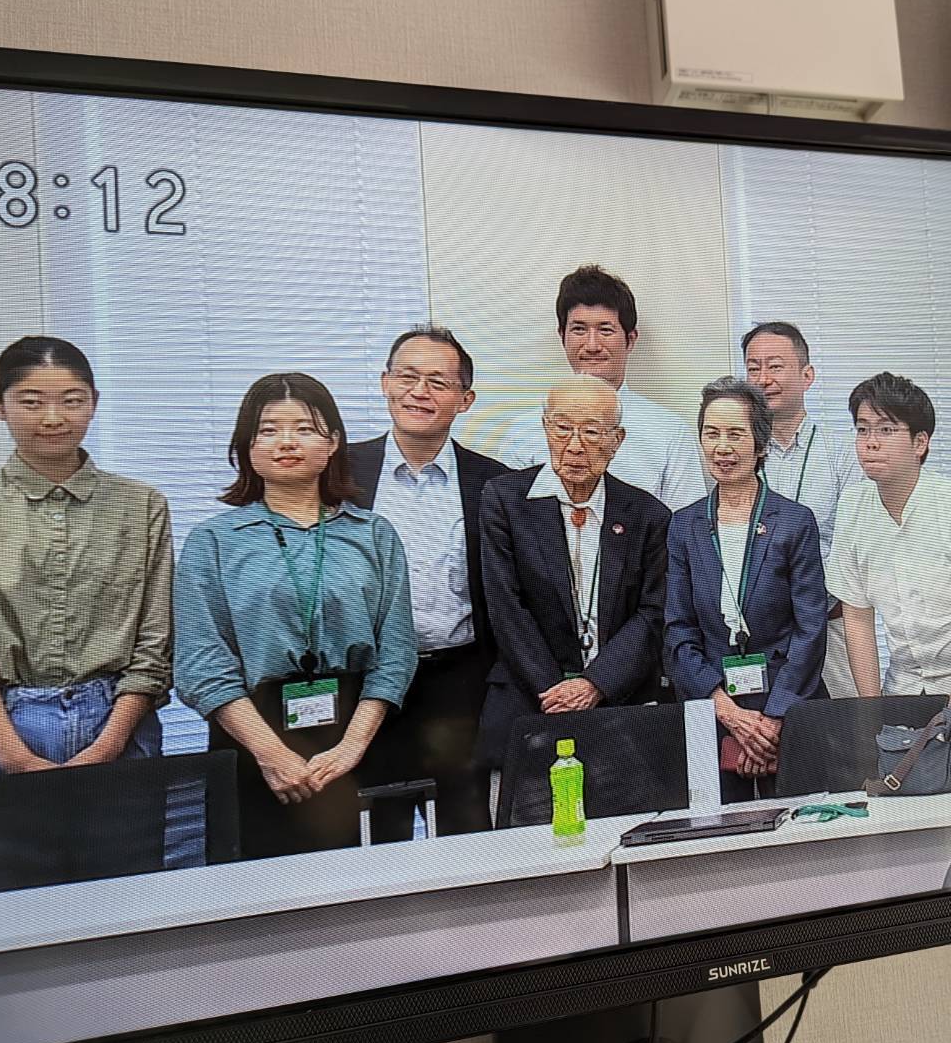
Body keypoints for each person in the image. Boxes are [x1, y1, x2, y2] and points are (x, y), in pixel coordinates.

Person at [0, 336, 171, 895]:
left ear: (95, 402)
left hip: (117, 724)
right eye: (31, 401)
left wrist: (107, 747)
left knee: (127, 911)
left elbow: (155, 644)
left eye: (72, 400)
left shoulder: (142, 506)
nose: (54, 418)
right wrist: (15, 755)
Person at [173, 373, 417, 861]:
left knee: (376, 885)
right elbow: (201, 664)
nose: (286, 442)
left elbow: (396, 652)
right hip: (252, 740)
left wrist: (351, 747)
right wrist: (272, 755)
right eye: (268, 430)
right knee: (262, 894)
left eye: (305, 429)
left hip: (362, 737)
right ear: (246, 446)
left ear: (333, 443)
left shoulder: (374, 535)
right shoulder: (213, 541)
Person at [348, 326, 508, 837]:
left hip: (458, 685)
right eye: (407, 377)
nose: (420, 392)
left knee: (467, 832)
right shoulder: (340, 474)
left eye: (438, 382)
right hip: (366, 687)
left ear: (465, 399)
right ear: (384, 383)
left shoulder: (494, 483)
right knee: (378, 834)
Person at [477, 374, 671, 786]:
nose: (575, 445)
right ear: (546, 428)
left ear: (617, 440)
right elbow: (506, 607)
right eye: (563, 428)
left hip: (619, 705)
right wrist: (555, 690)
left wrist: (596, 683)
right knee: (531, 820)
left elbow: (653, 613)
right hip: (530, 701)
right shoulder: (505, 501)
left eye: (592, 432)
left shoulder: (648, 515)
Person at [665, 378, 828, 802]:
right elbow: (679, 631)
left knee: (802, 825)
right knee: (718, 829)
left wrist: (770, 720)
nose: (722, 447)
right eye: (711, 433)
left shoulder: (795, 522)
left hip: (788, 705)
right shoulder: (683, 526)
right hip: (714, 708)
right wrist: (729, 713)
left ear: (760, 443)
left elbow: (811, 629)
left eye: (736, 434)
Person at [827, 372, 951, 703]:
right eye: (862, 429)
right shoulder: (853, 506)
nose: (870, 442)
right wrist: (872, 707)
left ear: (920, 443)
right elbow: (858, 617)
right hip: (907, 681)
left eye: (886, 430)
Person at [501, 264, 706, 510]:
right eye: (579, 329)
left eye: (605, 330)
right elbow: (506, 518)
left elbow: (687, 527)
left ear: (630, 339)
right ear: (562, 336)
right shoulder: (523, 431)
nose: (592, 345)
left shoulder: (670, 434)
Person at [742, 322, 861, 698]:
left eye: (775, 366)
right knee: (760, 729)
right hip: (755, 634)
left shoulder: (843, 452)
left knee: (846, 727)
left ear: (807, 375)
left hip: (832, 625)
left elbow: (854, 547)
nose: (763, 379)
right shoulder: (735, 455)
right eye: (753, 368)